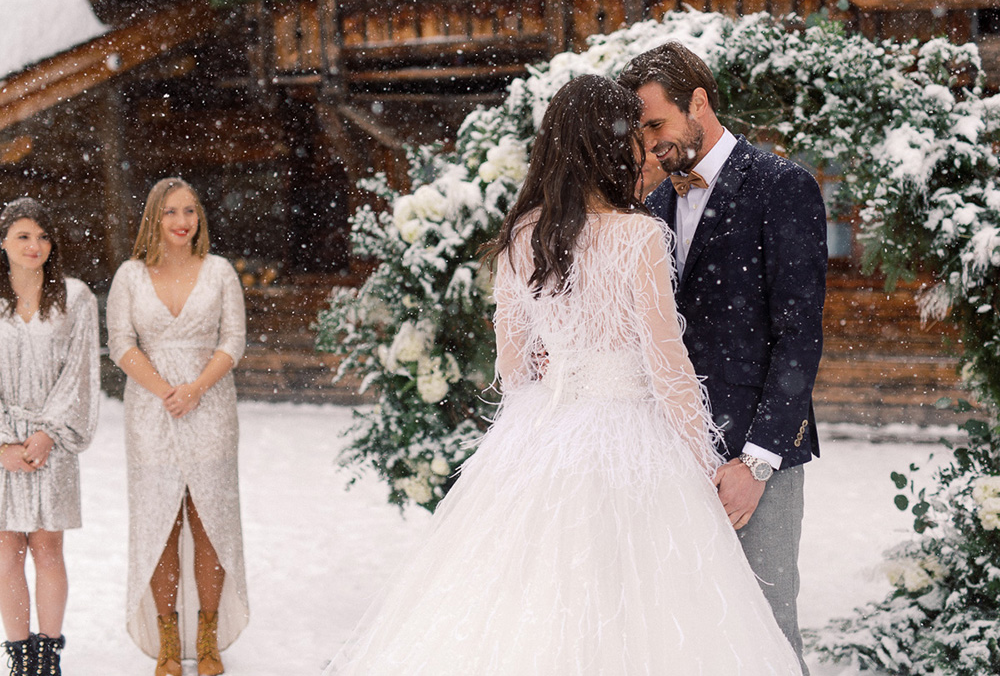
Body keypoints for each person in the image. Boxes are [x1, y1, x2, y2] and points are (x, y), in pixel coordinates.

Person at [324, 75, 802, 675]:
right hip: (633, 440)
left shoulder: (523, 234)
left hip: (540, 438)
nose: (643, 149)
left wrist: (565, 361)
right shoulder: (638, 235)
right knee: (646, 614)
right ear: (611, 145)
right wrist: (708, 465)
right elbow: (670, 368)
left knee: (534, 605)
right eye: (635, 135)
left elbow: (512, 365)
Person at [619, 42, 828, 673]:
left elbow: (799, 335)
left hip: (755, 458)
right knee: (685, 635)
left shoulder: (781, 186)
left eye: (657, 123)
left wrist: (755, 463)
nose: (651, 143)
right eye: (640, 131)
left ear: (699, 101)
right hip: (672, 457)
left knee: (765, 632)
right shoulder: (651, 210)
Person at [106, 178, 248, 676]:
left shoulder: (220, 272)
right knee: (160, 524)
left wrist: (195, 388)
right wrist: (164, 387)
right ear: (154, 218)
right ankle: (169, 640)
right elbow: (121, 343)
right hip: (150, 410)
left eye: (190, 210)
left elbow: (233, 340)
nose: (182, 221)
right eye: (171, 212)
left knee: (209, 519)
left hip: (209, 407)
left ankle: (207, 638)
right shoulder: (129, 275)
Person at [0, 197, 99, 676]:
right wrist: (2, 445)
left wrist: (46, 433)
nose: (34, 245)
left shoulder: (75, 298)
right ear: (3, 242)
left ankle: (47, 656)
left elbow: (80, 374)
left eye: (42, 236)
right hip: (0, 449)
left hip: (51, 445)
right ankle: (19, 657)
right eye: (22, 236)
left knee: (46, 548)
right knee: (6, 553)